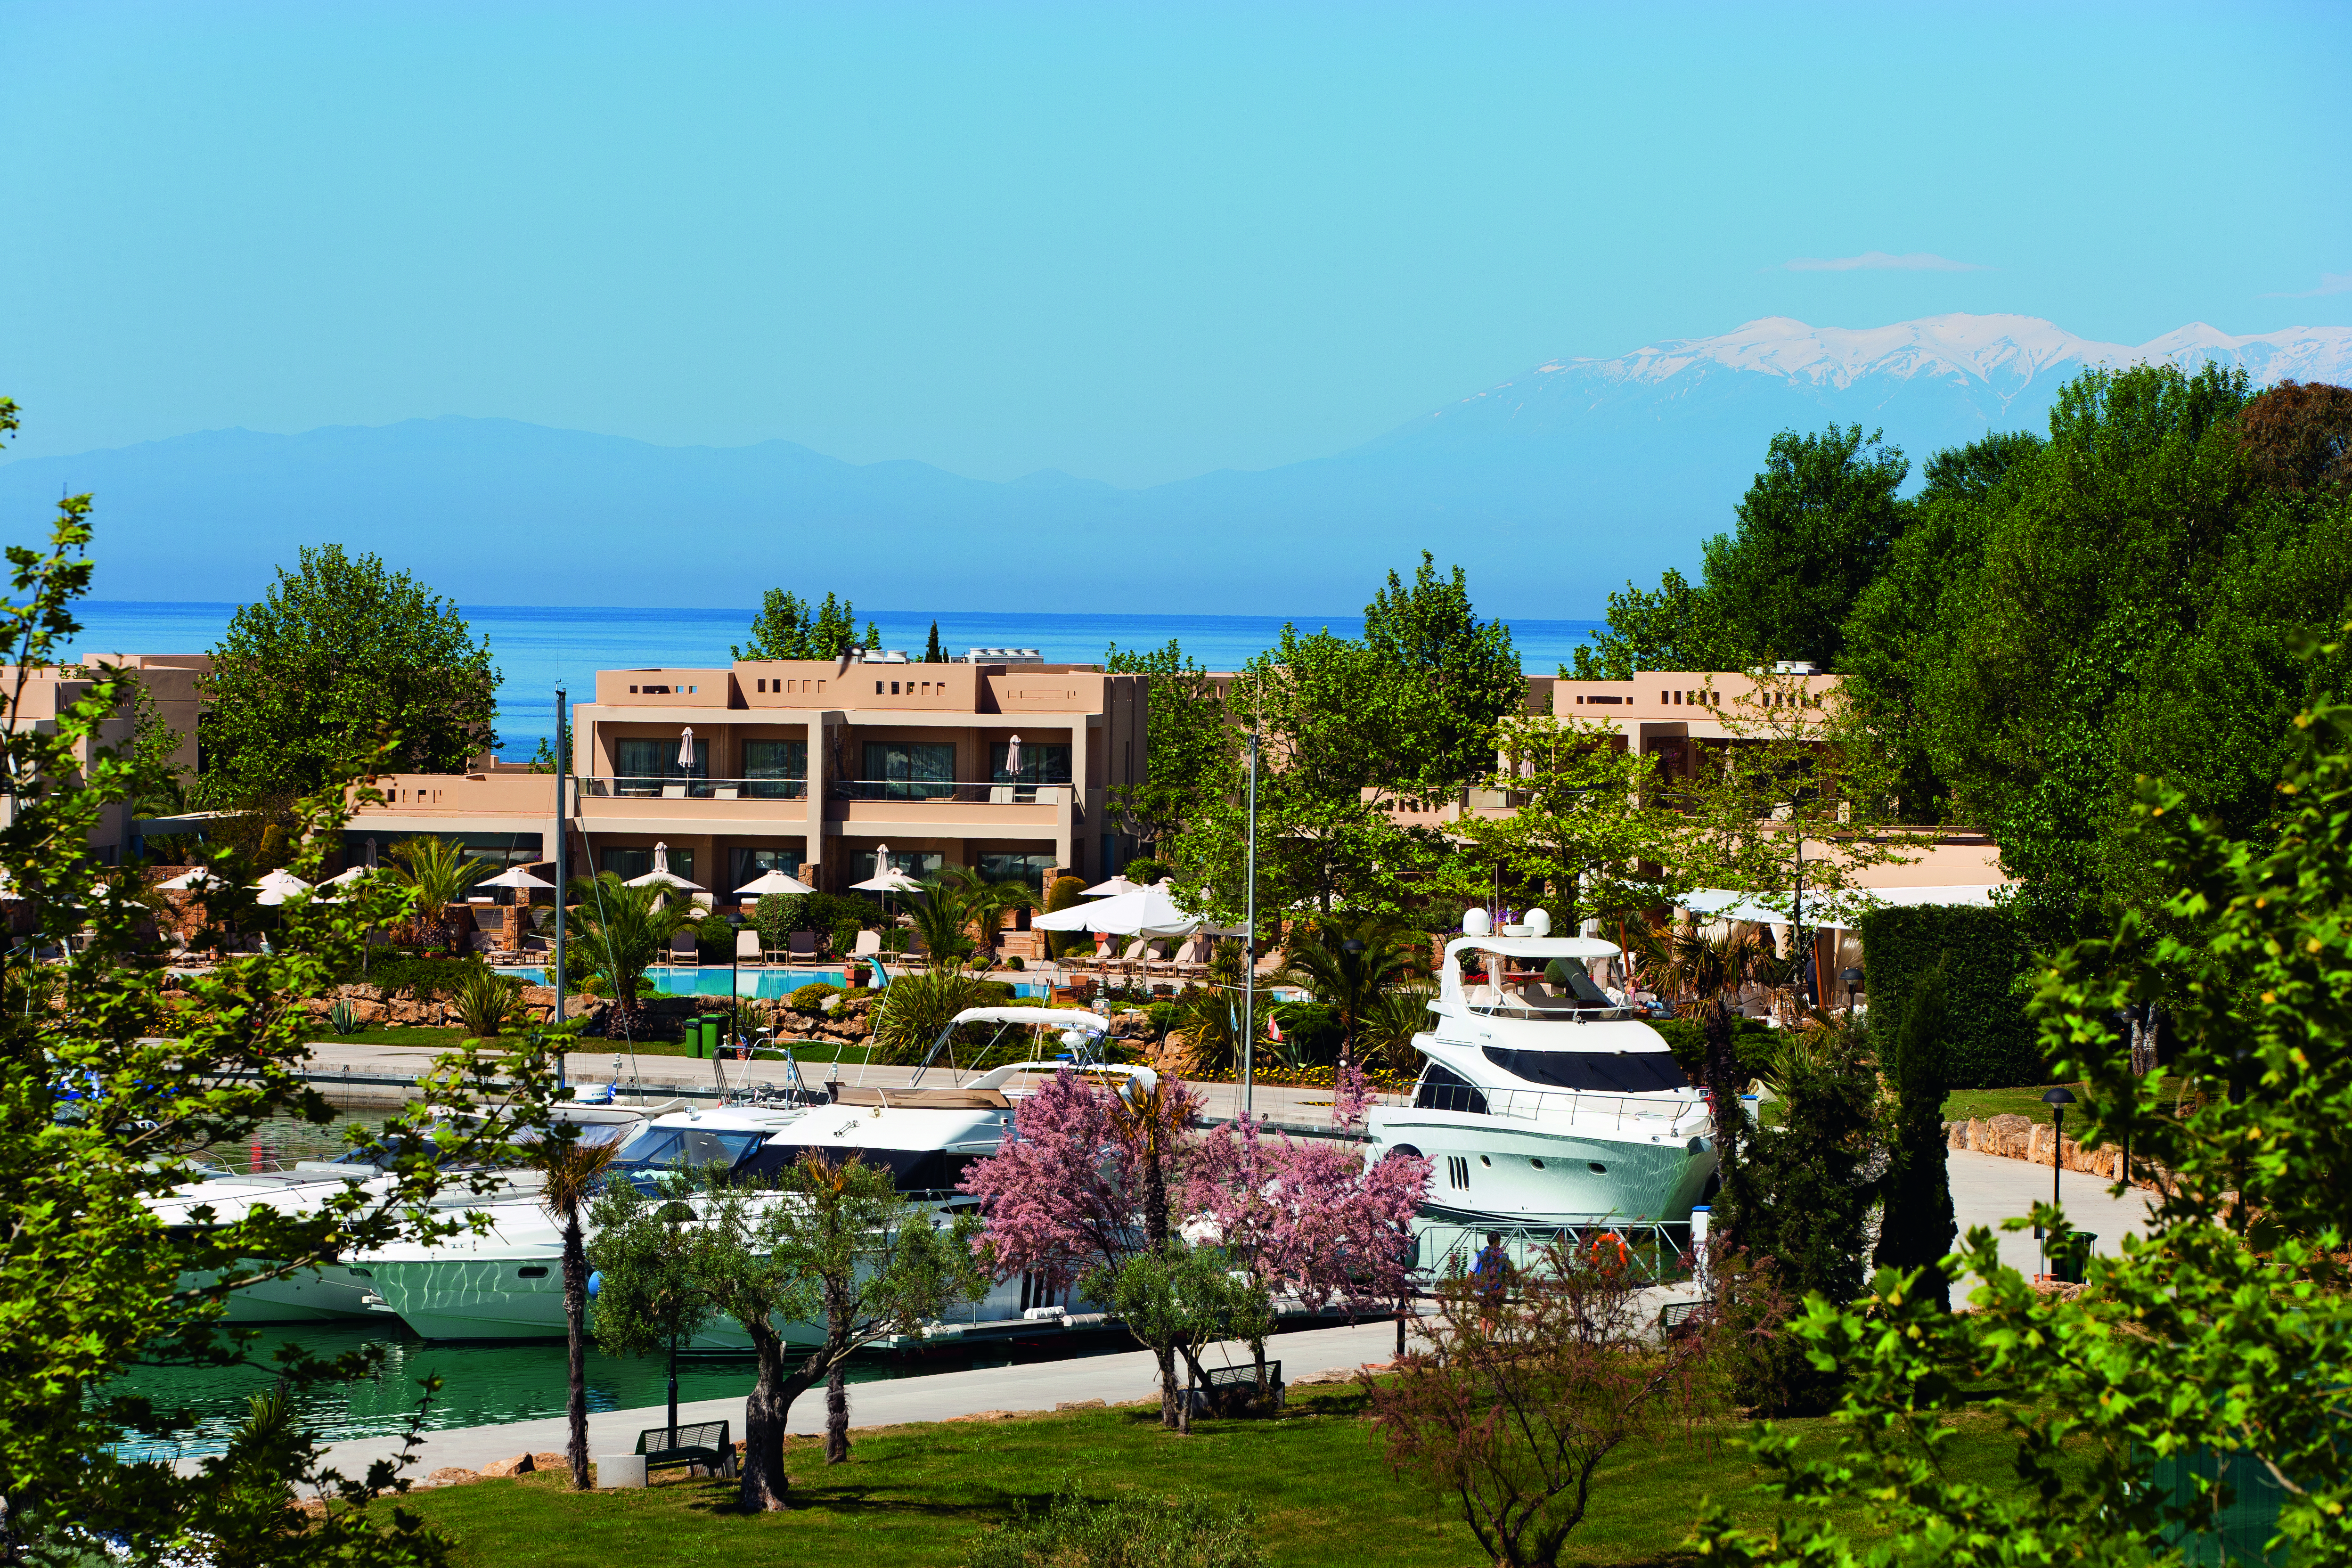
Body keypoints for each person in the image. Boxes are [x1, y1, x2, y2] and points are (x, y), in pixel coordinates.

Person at [1471, 1231, 1514, 1322]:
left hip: (1482, 1290)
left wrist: (1467, 1287)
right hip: (1497, 1290)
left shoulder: (1479, 1255)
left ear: (1488, 1241)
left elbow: (1472, 1272)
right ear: (1498, 1242)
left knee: (1483, 1315)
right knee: (1494, 1317)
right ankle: (1491, 1337)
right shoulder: (1504, 1257)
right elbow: (1511, 1272)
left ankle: (1483, 1336)